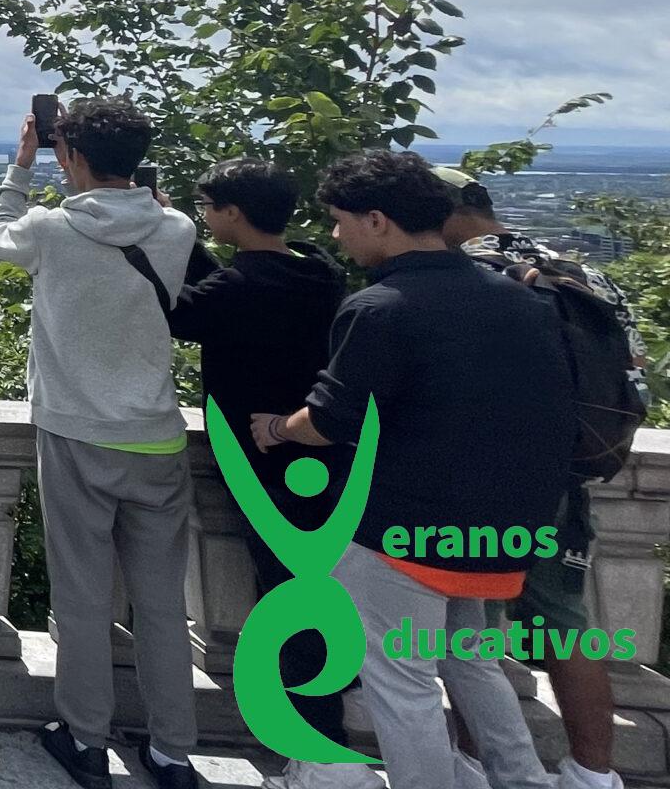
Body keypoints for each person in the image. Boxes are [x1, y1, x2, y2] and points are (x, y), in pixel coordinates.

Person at [253, 150, 575, 789]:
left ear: (377, 219)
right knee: (470, 661)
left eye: (341, 220)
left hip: (404, 531)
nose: (337, 235)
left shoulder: (380, 307)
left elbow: (331, 420)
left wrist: (278, 428)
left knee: (402, 682)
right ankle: (524, 780)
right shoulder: (520, 299)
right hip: (501, 525)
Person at [0, 96, 201, 789]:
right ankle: (172, 752)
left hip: (75, 432)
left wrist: (21, 167)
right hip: (157, 437)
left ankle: (86, 739)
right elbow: (159, 233)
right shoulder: (177, 228)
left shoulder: (50, 228)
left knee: (83, 597)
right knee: (162, 605)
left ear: (68, 154)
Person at [438, 166, 644, 789]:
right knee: (563, 623)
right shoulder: (578, 271)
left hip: (489, 477)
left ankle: (475, 765)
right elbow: (631, 369)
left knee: (470, 634)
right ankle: (593, 774)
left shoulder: (468, 274)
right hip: (567, 473)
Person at [164, 159, 365, 789]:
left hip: (269, 465)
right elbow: (226, 289)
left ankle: (324, 759)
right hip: (326, 459)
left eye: (206, 208)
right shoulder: (316, 270)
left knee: (291, 604)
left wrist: (152, 235)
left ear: (232, 213)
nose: (203, 216)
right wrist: (188, 240)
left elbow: (176, 311)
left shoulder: (241, 289)